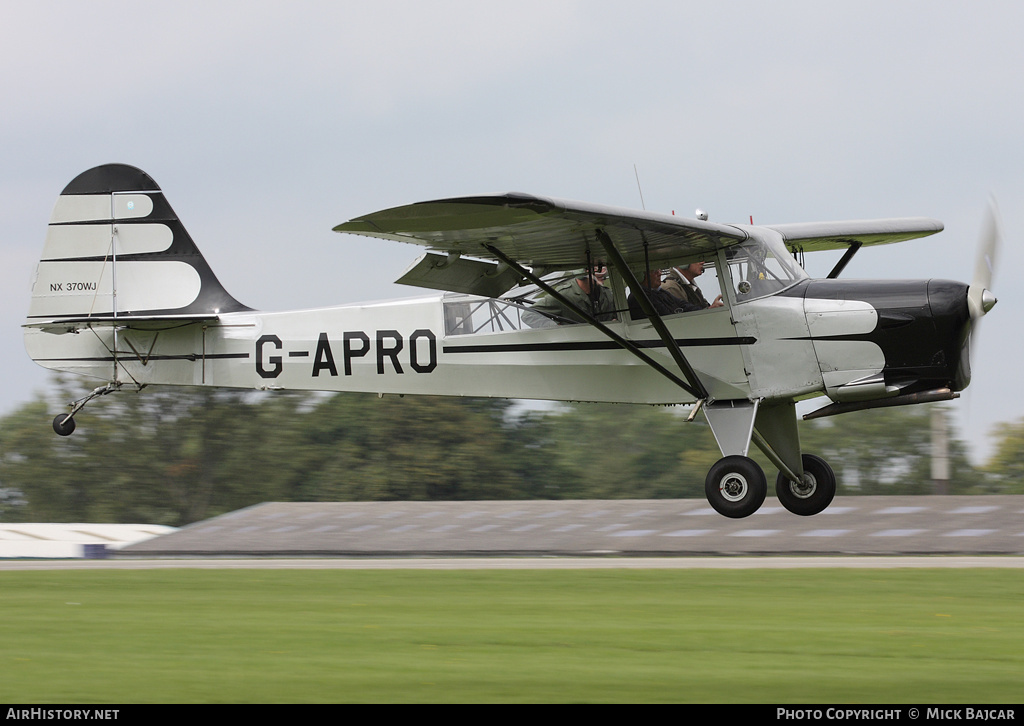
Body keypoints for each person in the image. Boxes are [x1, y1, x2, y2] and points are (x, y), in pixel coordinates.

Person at [522, 267, 617, 328]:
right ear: (583, 273)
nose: (603, 274)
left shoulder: (607, 294)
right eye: (597, 269)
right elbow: (528, 315)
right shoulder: (564, 295)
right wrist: (556, 328)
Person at [627, 270, 700, 319]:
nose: (659, 273)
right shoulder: (640, 297)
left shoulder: (660, 291)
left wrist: (704, 311)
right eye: (654, 271)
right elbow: (668, 318)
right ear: (641, 276)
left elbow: (683, 304)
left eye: (659, 269)